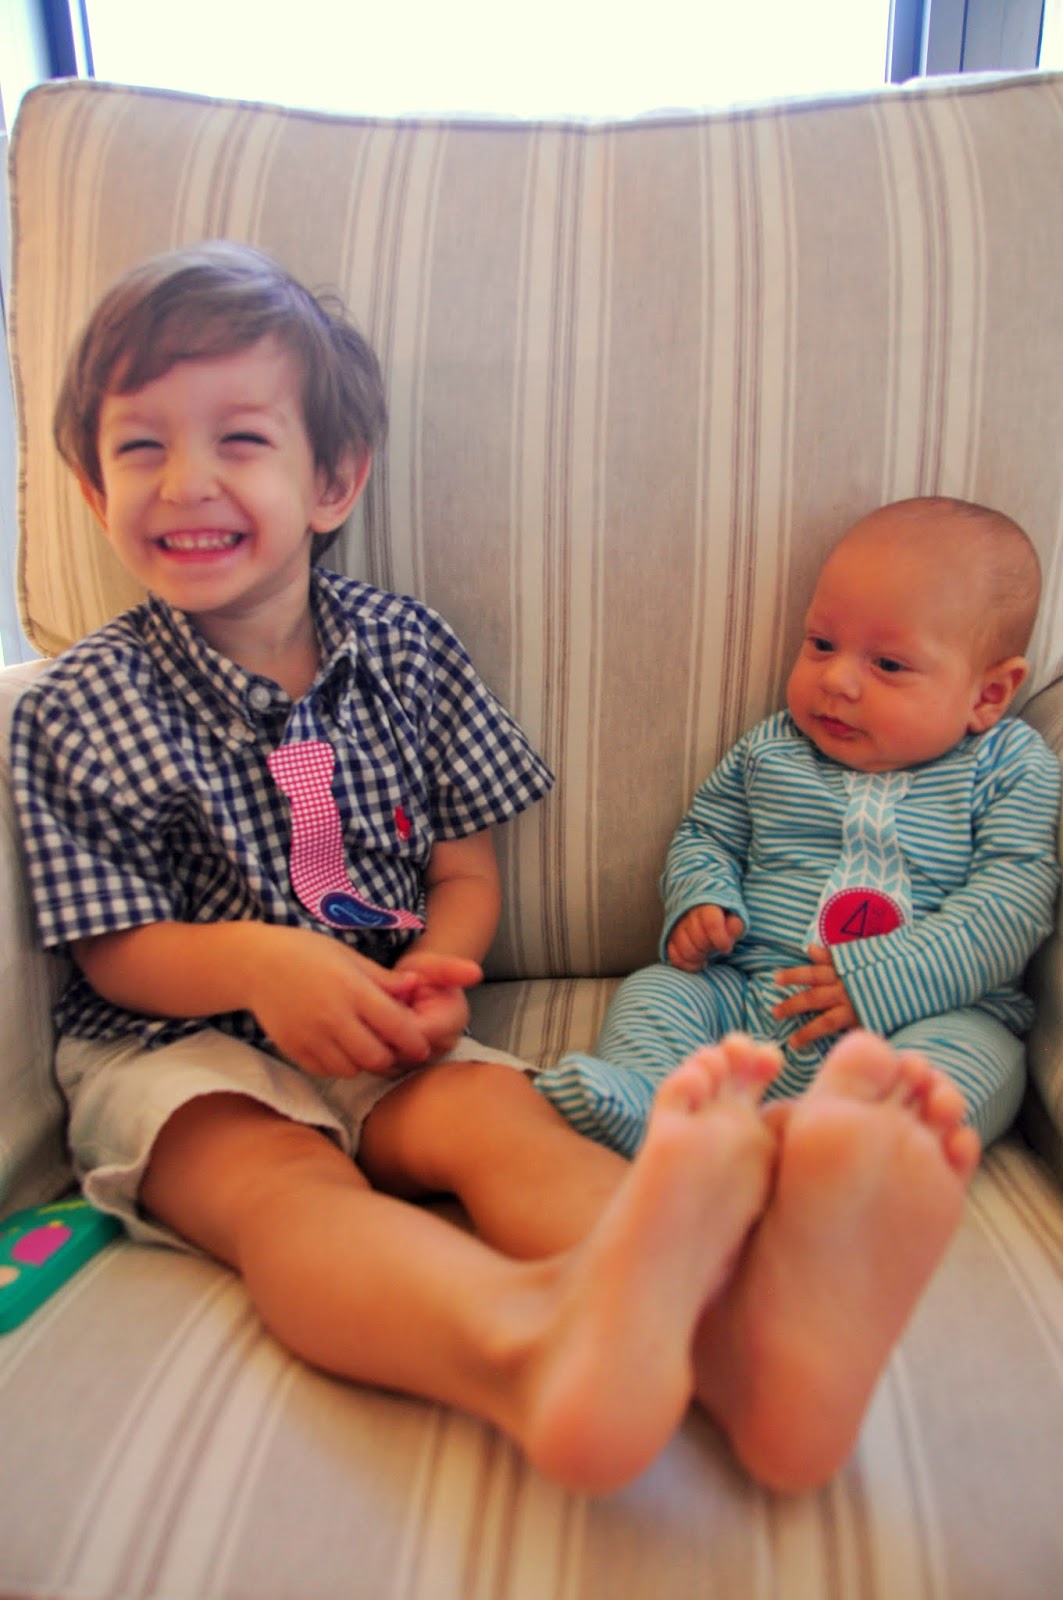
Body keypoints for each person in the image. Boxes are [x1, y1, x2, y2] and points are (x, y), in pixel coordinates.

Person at [11, 245, 982, 1497]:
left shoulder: (408, 650)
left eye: (239, 439)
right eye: (140, 447)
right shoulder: (76, 708)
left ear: (333, 479)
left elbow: (463, 872)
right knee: (285, 1194)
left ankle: (752, 1358)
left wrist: (436, 969)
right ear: (93, 490)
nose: (184, 480)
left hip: (382, 1024)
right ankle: (523, 1349)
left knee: (506, 1126)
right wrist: (259, 964)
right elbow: (110, 950)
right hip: (177, 1052)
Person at [536, 497, 1061, 1159]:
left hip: (930, 1014)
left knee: (963, 1065)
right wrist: (701, 899)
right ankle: (653, 1108)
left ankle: (851, 1156)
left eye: (888, 665)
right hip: (753, 995)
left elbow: (1010, 903)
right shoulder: (772, 750)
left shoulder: (1009, 766)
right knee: (657, 991)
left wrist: (885, 979)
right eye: (821, 644)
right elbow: (707, 834)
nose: (835, 679)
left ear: (987, 695)